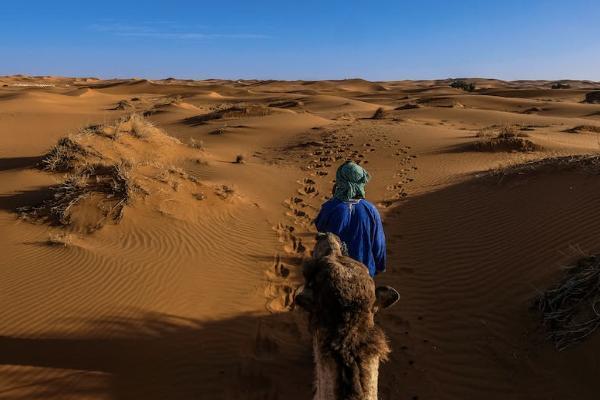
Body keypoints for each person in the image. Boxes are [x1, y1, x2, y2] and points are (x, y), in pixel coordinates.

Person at [314, 161, 386, 277]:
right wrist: (380, 266)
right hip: (364, 271)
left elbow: (320, 228)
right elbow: (378, 243)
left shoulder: (329, 207)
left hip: (334, 272)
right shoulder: (370, 210)